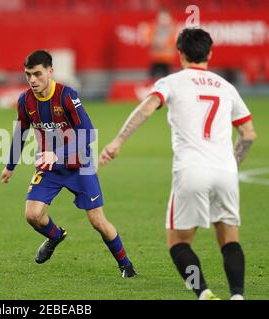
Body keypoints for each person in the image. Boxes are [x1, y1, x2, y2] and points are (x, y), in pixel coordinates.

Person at [99, 28, 256, 299]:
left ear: (180, 53)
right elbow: (249, 134)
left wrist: (117, 142)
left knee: (178, 243)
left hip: (191, 170)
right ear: (210, 53)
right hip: (225, 171)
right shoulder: (227, 87)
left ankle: (203, 291)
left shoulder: (172, 82)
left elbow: (146, 108)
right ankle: (238, 295)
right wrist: (232, 163)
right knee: (230, 240)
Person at [0, 50, 137, 278]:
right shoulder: (25, 101)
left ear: (50, 72)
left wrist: (58, 154)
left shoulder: (66, 95)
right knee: (32, 215)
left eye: (37, 74)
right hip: (50, 167)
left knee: (98, 221)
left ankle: (126, 265)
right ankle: (55, 236)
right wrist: (10, 166)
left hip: (80, 165)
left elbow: (88, 134)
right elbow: (21, 132)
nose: (33, 80)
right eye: (28, 75)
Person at [145, 9, 177, 79]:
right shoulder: (153, 28)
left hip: (167, 60)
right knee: (152, 78)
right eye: (162, 18)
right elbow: (149, 40)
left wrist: (162, 45)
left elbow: (173, 42)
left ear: (170, 19)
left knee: (167, 78)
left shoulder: (172, 29)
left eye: (166, 18)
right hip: (155, 59)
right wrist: (156, 43)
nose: (164, 20)